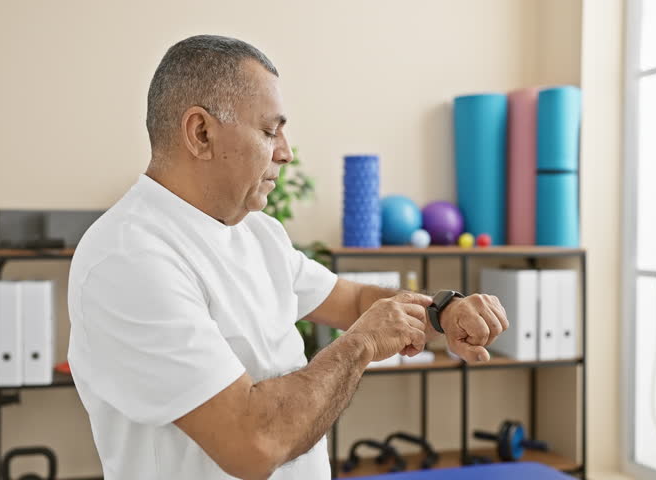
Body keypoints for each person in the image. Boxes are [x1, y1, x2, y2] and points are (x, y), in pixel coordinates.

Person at [67, 34, 508, 480]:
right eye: (268, 130)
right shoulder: (129, 259)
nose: (286, 152)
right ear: (201, 133)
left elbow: (354, 301)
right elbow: (252, 444)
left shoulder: (258, 232)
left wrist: (443, 311)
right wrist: (360, 345)